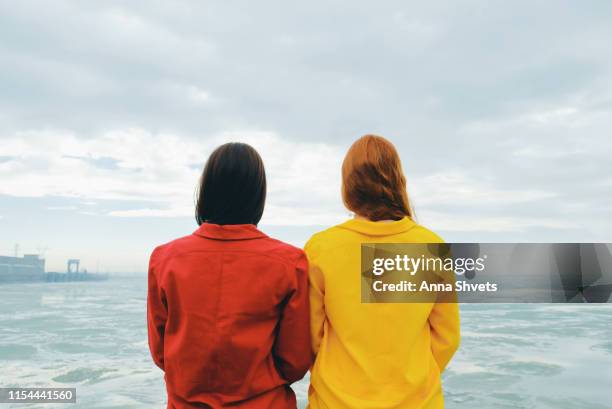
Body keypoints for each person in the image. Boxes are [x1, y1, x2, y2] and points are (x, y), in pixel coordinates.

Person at [147, 142, 311, 408]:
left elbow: (160, 353)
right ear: (258, 194)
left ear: (207, 191)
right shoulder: (289, 263)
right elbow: (294, 361)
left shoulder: (165, 259)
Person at [305, 135, 460, 409]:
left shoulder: (321, 248)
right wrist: (410, 381)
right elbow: (447, 338)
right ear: (397, 180)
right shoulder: (430, 246)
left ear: (348, 184)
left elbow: (310, 337)